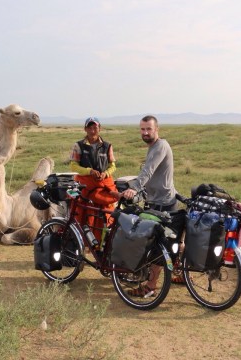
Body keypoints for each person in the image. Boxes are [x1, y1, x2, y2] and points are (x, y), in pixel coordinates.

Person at [122, 115, 180, 297]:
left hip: (162, 204)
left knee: (157, 246)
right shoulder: (154, 147)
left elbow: (148, 171)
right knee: (175, 241)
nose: (145, 132)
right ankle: (182, 273)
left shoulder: (160, 146)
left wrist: (135, 188)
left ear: (157, 129)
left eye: (149, 129)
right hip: (165, 200)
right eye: (142, 129)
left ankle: (151, 286)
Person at [69, 117, 120, 249]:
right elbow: (74, 167)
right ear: (85, 129)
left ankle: (104, 245)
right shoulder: (78, 145)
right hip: (86, 186)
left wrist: (106, 173)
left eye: (95, 127)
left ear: (99, 128)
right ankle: (82, 245)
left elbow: (113, 166)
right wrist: (89, 171)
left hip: (103, 185)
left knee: (107, 213)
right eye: (90, 127)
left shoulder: (107, 146)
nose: (92, 130)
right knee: (83, 215)